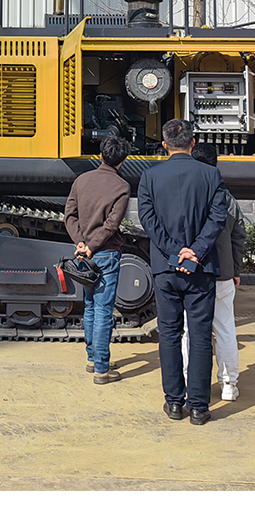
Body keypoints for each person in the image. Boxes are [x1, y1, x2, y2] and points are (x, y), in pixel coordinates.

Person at [138, 118, 229, 425]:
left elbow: (148, 221)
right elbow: (218, 219)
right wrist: (196, 251)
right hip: (201, 268)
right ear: (192, 142)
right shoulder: (211, 175)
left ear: (164, 145)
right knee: (201, 336)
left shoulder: (149, 177)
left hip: (165, 268)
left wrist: (174, 252)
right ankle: (200, 408)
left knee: (169, 334)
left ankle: (174, 402)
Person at [64, 135, 131, 384]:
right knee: (103, 310)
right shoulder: (122, 186)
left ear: (100, 155)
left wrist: (80, 243)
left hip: (85, 255)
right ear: (123, 161)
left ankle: (93, 358)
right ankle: (102, 369)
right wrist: (92, 246)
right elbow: (112, 224)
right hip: (106, 253)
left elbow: (69, 215)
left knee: (90, 306)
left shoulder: (81, 181)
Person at [181, 143, 246, 402]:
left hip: (193, 272)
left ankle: (190, 380)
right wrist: (236, 269)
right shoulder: (227, 198)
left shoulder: (186, 195)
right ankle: (229, 384)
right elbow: (238, 236)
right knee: (225, 329)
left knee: (190, 329)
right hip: (223, 274)